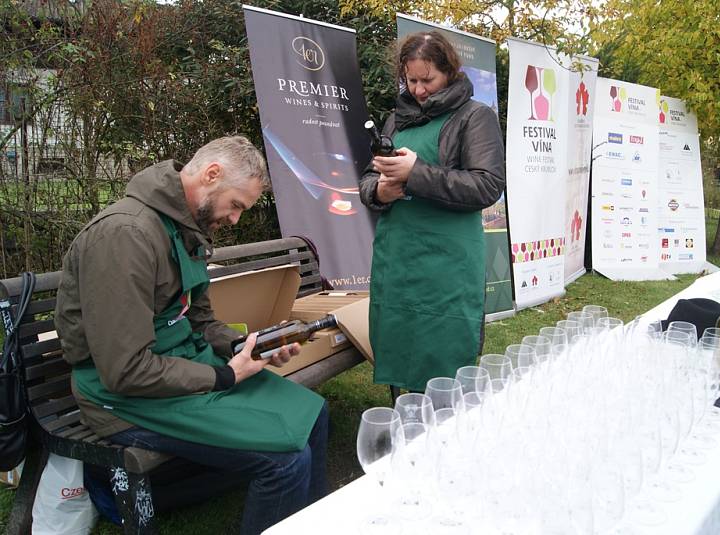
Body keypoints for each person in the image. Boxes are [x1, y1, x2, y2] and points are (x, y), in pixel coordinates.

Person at [54, 136, 328, 534]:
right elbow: (124, 371)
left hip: (183, 367)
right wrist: (225, 376)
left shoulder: (186, 229)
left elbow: (199, 321)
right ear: (211, 174)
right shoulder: (125, 236)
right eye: (236, 205)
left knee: (314, 414)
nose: (235, 219)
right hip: (120, 397)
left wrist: (245, 346)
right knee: (285, 459)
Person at [359, 32, 505, 399]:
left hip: (447, 268)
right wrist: (379, 191)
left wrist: (416, 174)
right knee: (399, 354)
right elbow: (367, 179)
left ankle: (445, 441)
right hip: (398, 262)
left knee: (446, 367)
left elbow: (487, 186)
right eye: (412, 80)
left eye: (428, 80)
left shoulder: (475, 116)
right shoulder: (395, 121)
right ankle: (403, 431)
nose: (420, 89)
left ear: (450, 72)